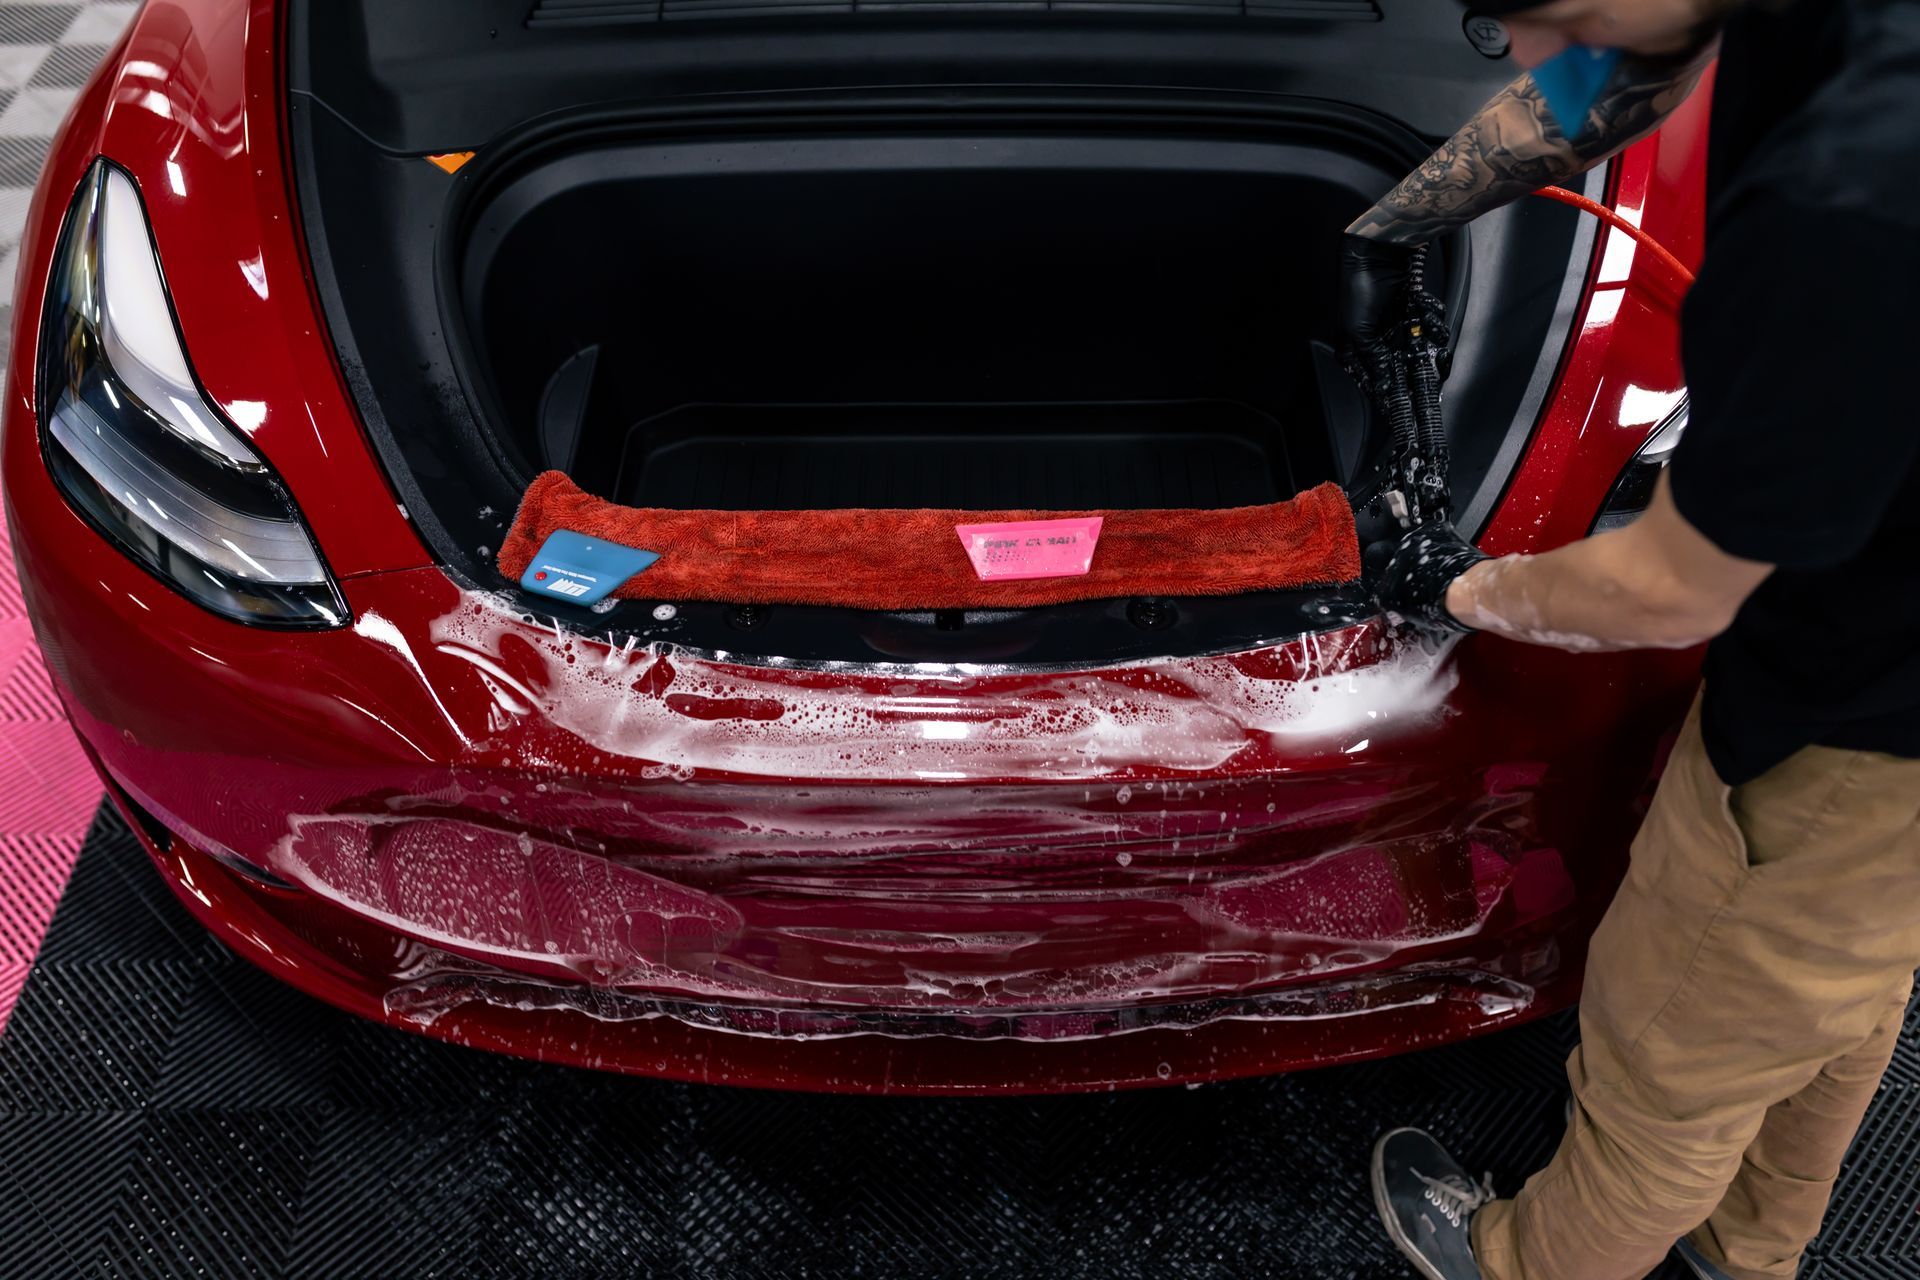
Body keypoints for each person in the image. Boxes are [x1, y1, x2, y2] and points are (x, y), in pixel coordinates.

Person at [1345, 1, 1920, 1277]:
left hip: (1860, 732)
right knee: (1846, 983)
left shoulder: (1857, 202)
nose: (1526, 50)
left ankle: (1522, 1259)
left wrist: (1459, 586)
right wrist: (1402, 224)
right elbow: (1626, 62)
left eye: (1532, 16)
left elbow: (1669, 592)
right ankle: (1750, 1245)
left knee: (1674, 1048)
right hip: (1888, 680)